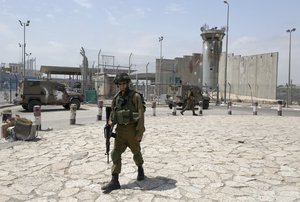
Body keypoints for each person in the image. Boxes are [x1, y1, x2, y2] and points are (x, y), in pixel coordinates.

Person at [101, 73, 145, 193]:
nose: (122, 86)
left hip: (132, 130)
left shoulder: (135, 97)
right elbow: (113, 114)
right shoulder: (116, 98)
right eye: (120, 84)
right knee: (115, 154)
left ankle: (140, 169)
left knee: (136, 152)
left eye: (124, 84)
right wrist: (110, 124)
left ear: (127, 84)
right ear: (117, 85)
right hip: (120, 131)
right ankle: (115, 181)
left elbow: (141, 115)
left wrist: (139, 132)